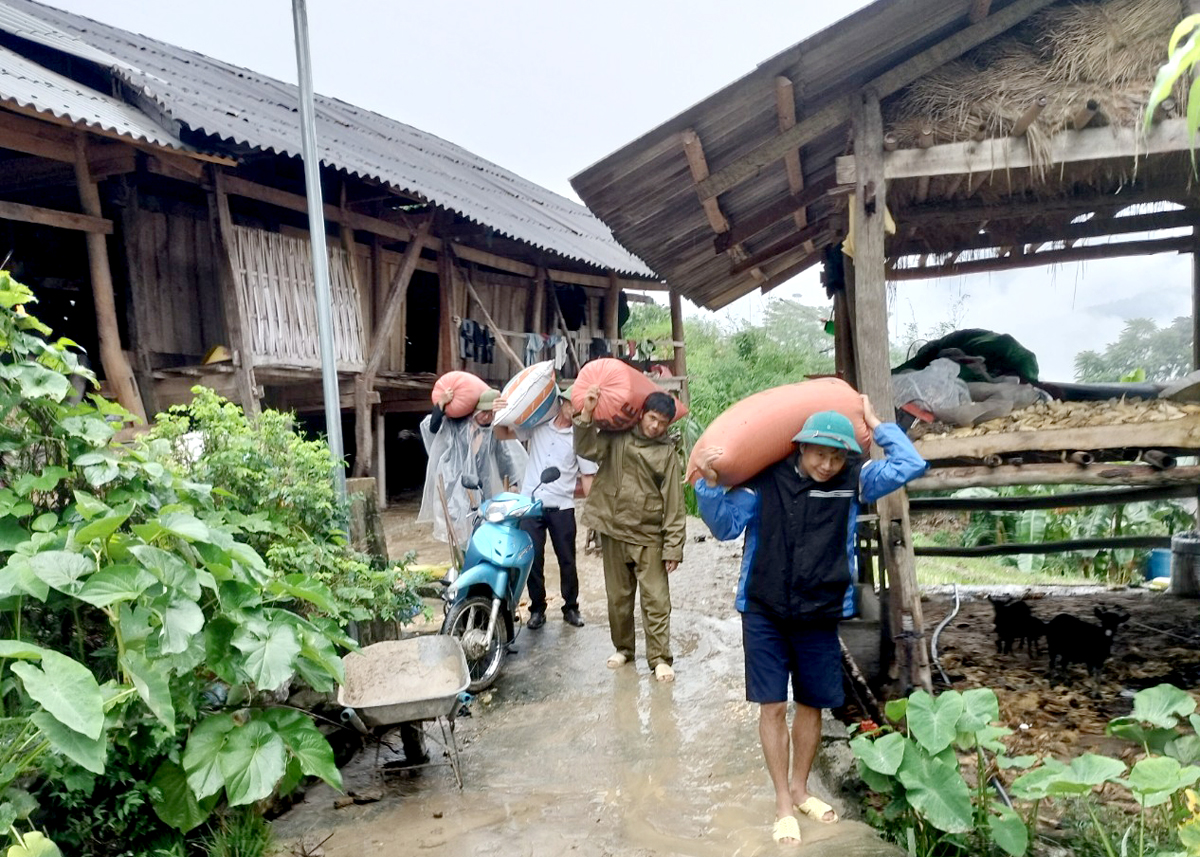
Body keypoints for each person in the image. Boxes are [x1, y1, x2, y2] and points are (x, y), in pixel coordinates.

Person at [692, 397, 927, 847]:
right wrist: (707, 484)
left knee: (812, 704)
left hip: (820, 611)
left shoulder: (855, 482)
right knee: (773, 706)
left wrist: (879, 426)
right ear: (799, 448)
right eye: (820, 452)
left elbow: (909, 464)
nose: (827, 463)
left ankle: (801, 790)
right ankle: (783, 802)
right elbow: (724, 527)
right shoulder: (764, 483)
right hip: (764, 609)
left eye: (837, 454)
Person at [574, 386, 685, 682]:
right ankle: (623, 649)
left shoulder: (666, 453)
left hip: (649, 536)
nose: (655, 426)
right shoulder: (617, 437)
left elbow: (675, 502)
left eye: (662, 423)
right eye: (651, 418)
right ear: (641, 414)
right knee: (618, 598)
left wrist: (673, 546)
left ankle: (660, 658)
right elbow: (586, 449)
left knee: (657, 600)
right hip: (613, 530)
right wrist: (586, 413)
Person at [493, 386, 597, 629]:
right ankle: (537, 609)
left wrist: (595, 513)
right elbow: (502, 434)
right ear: (561, 402)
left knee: (567, 560)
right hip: (532, 505)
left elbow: (588, 476)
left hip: (562, 506)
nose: (575, 409)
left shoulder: (579, 437)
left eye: (579, 406)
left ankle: (571, 607)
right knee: (533, 560)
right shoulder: (538, 427)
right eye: (571, 404)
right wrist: (497, 412)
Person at [418, 387, 526, 546]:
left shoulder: (493, 430)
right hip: (455, 486)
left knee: (483, 530)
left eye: (491, 413)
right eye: (483, 412)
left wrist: (513, 483)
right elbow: (432, 427)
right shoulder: (456, 424)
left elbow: (505, 456)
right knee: (458, 534)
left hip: (482, 487)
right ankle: (462, 564)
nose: (487, 417)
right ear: (475, 410)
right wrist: (441, 403)